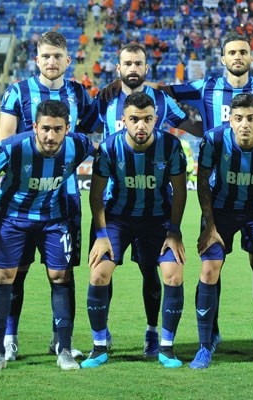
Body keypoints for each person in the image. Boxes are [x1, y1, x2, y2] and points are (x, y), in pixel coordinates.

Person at [140, 31, 253, 353]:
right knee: (212, 264)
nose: (237, 57)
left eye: (243, 52)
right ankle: (211, 334)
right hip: (219, 197)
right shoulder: (206, 87)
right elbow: (166, 89)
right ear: (223, 58)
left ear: (251, 57)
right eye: (232, 52)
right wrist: (134, 83)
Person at [91, 42, 201, 356]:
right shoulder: (105, 99)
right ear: (118, 68)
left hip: (155, 208)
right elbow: (81, 128)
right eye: (127, 63)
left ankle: (155, 334)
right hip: (113, 207)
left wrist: (224, 131)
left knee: (152, 271)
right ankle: (101, 336)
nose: (133, 69)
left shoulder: (161, 100)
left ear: (146, 68)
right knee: (102, 270)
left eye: (138, 63)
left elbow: (187, 125)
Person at [0, 100, 95, 373]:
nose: (50, 136)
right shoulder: (13, 147)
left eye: (57, 129)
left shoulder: (79, 145)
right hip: (12, 219)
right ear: (35, 126)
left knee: (61, 276)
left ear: (67, 128)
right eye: (45, 128)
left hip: (54, 220)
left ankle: (64, 350)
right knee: (3, 277)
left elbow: (104, 154)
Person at [0, 31, 98, 361]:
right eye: (46, 56)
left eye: (57, 56)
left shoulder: (79, 93)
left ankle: (60, 340)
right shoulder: (18, 92)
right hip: (24, 201)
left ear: (68, 60)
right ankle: (9, 339)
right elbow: (5, 142)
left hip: (65, 199)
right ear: (36, 60)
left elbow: (86, 138)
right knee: (17, 271)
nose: (51, 61)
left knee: (63, 273)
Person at [81, 93, 188, 369]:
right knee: (98, 273)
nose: (141, 125)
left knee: (173, 275)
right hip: (118, 219)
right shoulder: (109, 148)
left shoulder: (171, 146)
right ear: (124, 120)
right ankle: (99, 346)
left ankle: (164, 345)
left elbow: (179, 191)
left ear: (156, 119)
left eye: (147, 119)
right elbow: (96, 194)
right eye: (134, 119)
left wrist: (174, 231)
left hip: (158, 220)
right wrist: (101, 236)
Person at [190, 93, 253, 369]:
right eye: (238, 118)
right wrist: (209, 224)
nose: (244, 124)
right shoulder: (213, 140)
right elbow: (202, 180)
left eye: (251, 118)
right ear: (230, 120)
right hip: (221, 211)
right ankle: (206, 344)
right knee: (209, 268)